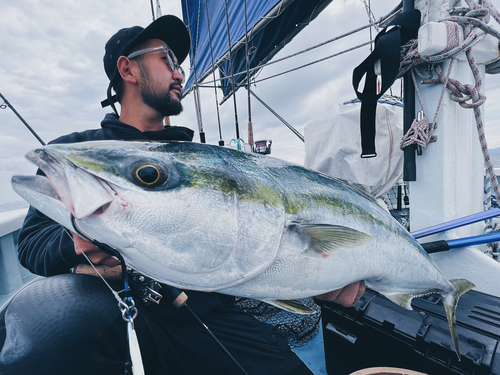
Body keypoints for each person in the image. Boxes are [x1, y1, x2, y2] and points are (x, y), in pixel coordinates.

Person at [0, 15, 365, 375]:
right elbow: (32, 245)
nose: (179, 74)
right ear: (127, 69)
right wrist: (76, 244)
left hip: (208, 313)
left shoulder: (201, 160)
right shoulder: (78, 153)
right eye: (167, 60)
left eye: (181, 65)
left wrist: (313, 271)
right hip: (119, 312)